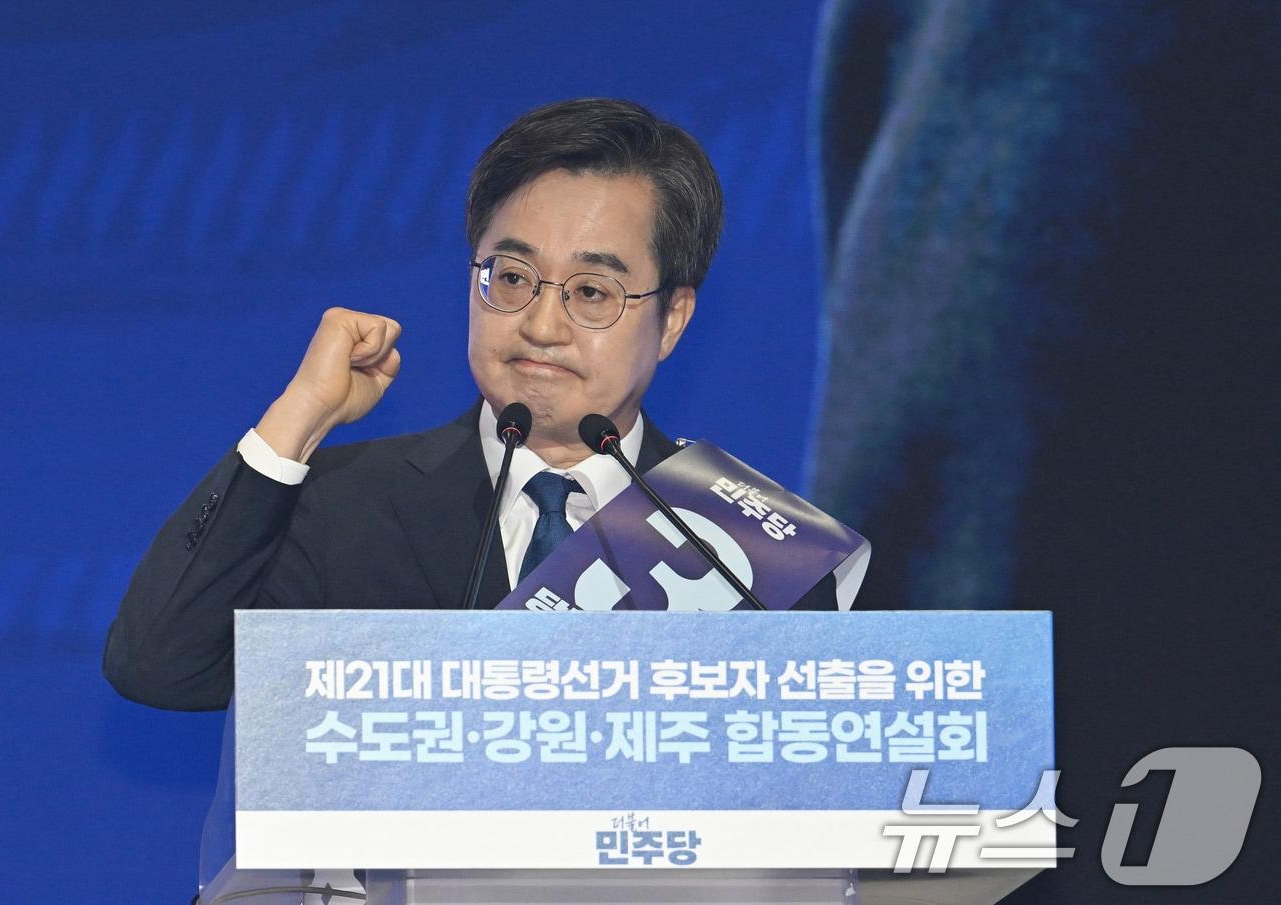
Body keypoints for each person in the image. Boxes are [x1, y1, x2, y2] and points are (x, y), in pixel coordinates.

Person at [104, 98, 837, 713]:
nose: (542, 326)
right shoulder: (343, 507)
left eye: (591, 292)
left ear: (672, 319)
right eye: (511, 277)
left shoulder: (752, 552)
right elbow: (161, 666)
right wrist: (298, 417)